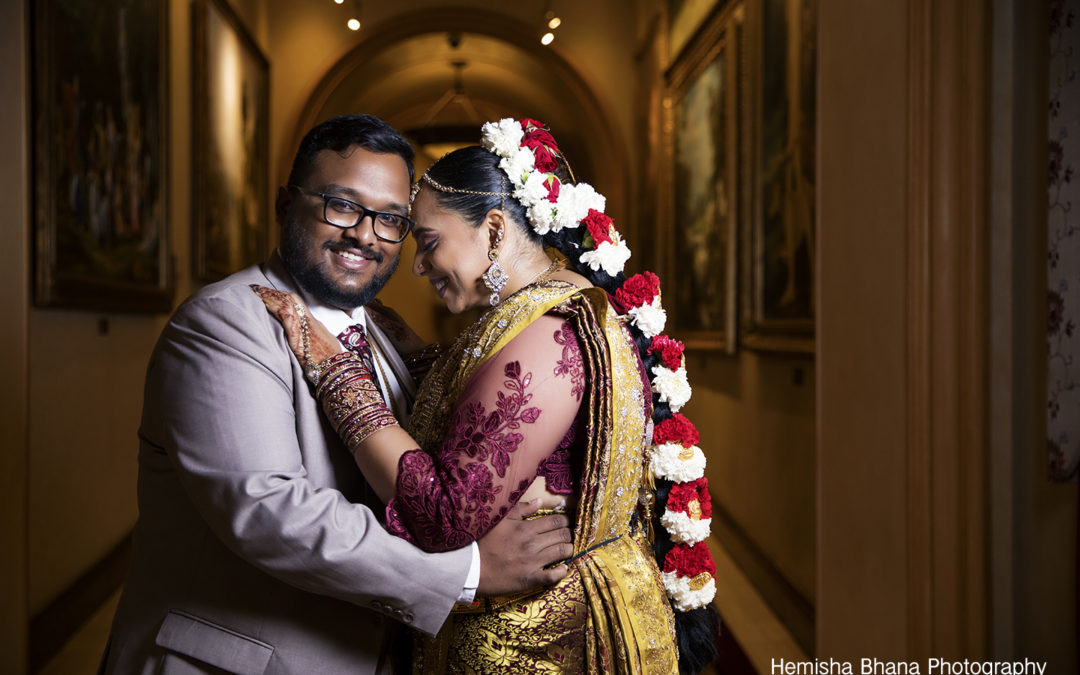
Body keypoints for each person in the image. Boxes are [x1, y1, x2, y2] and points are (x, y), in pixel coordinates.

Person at [103, 114, 574, 675]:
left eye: (391, 219)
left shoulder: (381, 330)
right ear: (286, 204)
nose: (365, 235)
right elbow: (270, 512)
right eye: (342, 206)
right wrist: (468, 570)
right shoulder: (224, 322)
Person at [254, 119, 720, 673]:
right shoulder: (541, 312)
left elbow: (442, 516)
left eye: (429, 242)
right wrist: (403, 344)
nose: (418, 264)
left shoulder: (551, 333)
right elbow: (473, 398)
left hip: (539, 645)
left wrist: (336, 372)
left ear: (495, 230)